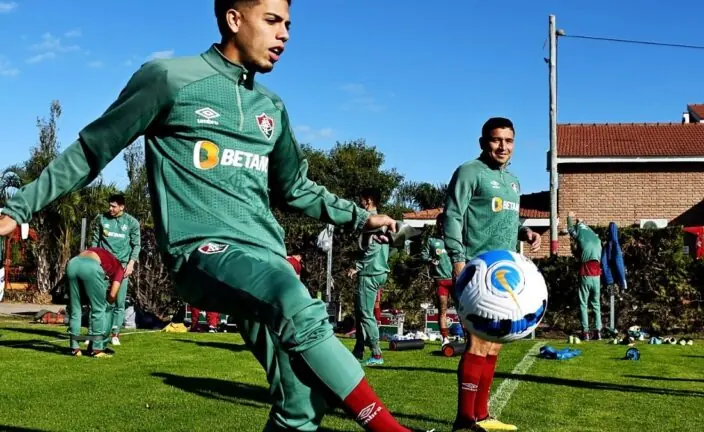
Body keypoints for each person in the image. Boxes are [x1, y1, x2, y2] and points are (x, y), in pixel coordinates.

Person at [0, 1, 418, 430]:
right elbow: (93, 149)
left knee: (302, 402)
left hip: (264, 260)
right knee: (291, 295)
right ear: (234, 20)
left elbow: (295, 189)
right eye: (272, 21)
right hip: (201, 252)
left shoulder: (271, 108)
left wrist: (360, 218)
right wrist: (19, 207)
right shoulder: (169, 79)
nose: (285, 34)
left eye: (288, 24)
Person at [443, 117, 541, 432]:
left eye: (509, 141)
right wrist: (458, 259)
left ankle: (482, 416)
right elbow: (453, 215)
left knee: (494, 345)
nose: (503, 147)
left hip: (505, 273)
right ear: (483, 142)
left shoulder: (513, 181)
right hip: (475, 270)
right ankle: (464, 420)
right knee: (477, 343)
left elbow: (506, 220)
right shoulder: (469, 172)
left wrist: (525, 232)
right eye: (496, 140)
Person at [90, 193, 141, 346]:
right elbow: (94, 241)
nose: (110, 208)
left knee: (118, 302)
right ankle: (93, 333)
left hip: (122, 267)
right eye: (109, 205)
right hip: (103, 266)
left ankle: (115, 333)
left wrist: (131, 264)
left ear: (121, 207)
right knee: (98, 301)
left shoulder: (131, 222)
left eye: (113, 206)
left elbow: (136, 245)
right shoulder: (101, 219)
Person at [348, 188, 390, 366]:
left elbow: (372, 248)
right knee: (361, 311)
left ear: (369, 201)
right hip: (379, 271)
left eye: (361, 199)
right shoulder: (384, 221)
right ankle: (358, 349)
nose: (360, 202)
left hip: (370, 272)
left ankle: (376, 354)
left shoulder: (372, 221)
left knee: (365, 313)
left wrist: (357, 267)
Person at [66, 247, 125, 358]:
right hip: (91, 267)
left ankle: (75, 348)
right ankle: (97, 349)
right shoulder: (121, 269)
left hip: (73, 263)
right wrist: (106, 299)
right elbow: (112, 296)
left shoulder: (104, 254)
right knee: (99, 309)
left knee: (76, 308)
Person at [567, 212, 603, 341]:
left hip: (585, 273)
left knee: (583, 303)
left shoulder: (579, 235)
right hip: (597, 274)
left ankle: (585, 332)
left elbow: (570, 230)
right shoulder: (594, 236)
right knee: (596, 304)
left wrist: (569, 218)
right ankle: (598, 331)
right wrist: (581, 221)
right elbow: (584, 226)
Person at [420, 212, 454, 346]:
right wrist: (430, 259)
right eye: (439, 222)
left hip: (455, 280)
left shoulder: (454, 239)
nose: (441, 225)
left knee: (462, 309)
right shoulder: (431, 241)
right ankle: (445, 338)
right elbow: (423, 255)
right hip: (440, 281)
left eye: (443, 222)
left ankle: (467, 336)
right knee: (442, 309)